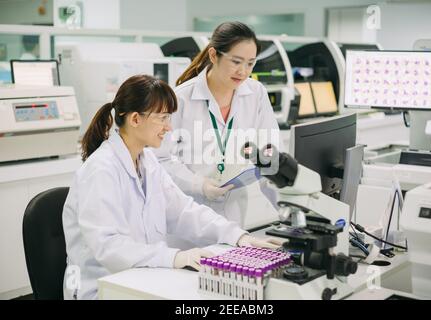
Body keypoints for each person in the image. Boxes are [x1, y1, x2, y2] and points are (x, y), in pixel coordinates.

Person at [62, 75, 281, 300]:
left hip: (142, 280)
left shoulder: (147, 161)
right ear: (135, 119)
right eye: (163, 118)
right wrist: (174, 257)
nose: (169, 127)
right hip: (100, 289)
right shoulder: (101, 170)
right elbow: (108, 247)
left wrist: (238, 236)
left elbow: (184, 211)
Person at [156, 22, 280, 227]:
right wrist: (200, 185)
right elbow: (160, 160)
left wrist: (288, 208)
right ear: (214, 56)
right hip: (186, 218)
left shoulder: (256, 94)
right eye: (236, 61)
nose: (243, 71)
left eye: (250, 63)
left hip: (234, 217)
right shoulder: (180, 99)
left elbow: (270, 155)